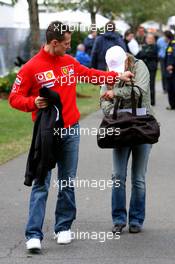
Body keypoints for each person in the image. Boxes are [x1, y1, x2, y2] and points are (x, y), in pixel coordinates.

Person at [9, 21, 133, 252]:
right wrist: (32, 102)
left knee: (67, 181)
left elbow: (90, 74)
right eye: (66, 44)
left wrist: (117, 77)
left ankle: (63, 227)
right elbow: (14, 98)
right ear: (53, 43)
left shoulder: (68, 61)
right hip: (46, 134)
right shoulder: (30, 67)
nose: (69, 47)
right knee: (41, 182)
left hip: (71, 130)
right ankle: (33, 234)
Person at [100, 45, 153, 235]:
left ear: (126, 60)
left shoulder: (140, 66)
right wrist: (111, 112)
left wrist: (115, 93)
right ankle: (119, 219)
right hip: (119, 127)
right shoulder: (108, 71)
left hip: (142, 126)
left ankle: (137, 219)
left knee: (138, 178)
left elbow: (139, 90)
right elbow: (103, 98)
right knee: (117, 176)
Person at [137, 33, 158, 106]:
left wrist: (144, 54)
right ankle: (145, 100)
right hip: (144, 68)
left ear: (153, 40)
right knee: (144, 84)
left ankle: (152, 101)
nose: (149, 40)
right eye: (148, 38)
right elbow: (139, 55)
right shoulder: (144, 47)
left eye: (150, 38)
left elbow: (149, 54)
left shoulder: (155, 47)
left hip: (152, 67)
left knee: (151, 84)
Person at [164, 31, 175, 110]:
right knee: (171, 88)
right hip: (169, 70)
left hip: (171, 70)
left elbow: (172, 56)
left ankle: (172, 105)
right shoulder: (170, 43)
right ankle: (172, 105)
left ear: (167, 36)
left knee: (171, 88)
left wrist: (171, 66)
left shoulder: (173, 44)